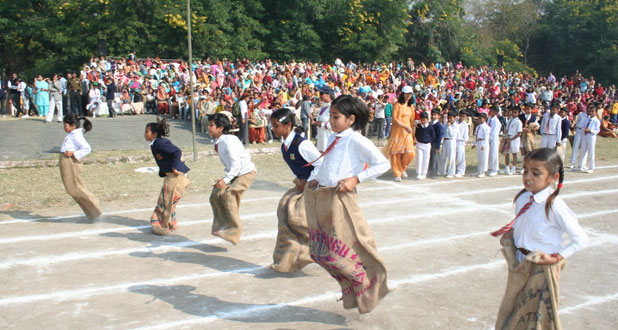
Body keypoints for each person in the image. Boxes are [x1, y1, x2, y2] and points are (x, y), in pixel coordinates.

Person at [305, 94, 390, 314]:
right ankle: (353, 287)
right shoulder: (337, 138)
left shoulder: (356, 139)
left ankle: (367, 283)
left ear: (351, 119)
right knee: (320, 251)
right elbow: (330, 164)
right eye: (330, 116)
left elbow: (382, 164)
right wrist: (318, 177)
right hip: (324, 196)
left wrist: (355, 178)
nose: (331, 121)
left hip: (341, 198)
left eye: (336, 116)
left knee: (338, 251)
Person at [492, 148, 588, 329]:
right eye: (525, 171)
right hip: (520, 263)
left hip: (541, 268)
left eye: (536, 173)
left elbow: (581, 239)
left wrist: (555, 258)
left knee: (537, 316)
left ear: (553, 177)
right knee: (513, 309)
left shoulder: (554, 206)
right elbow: (525, 222)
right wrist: (512, 233)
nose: (528, 177)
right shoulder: (523, 197)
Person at [268, 108, 322, 272]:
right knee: (285, 210)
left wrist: (310, 181)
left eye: (276, 126)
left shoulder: (302, 144)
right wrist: (299, 180)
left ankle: (314, 251)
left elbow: (321, 163)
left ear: (288, 125)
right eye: (272, 125)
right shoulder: (285, 146)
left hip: (316, 187)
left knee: (302, 221)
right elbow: (296, 168)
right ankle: (288, 259)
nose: (273, 129)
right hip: (303, 185)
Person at [207, 113, 257, 245]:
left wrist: (225, 180)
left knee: (229, 195)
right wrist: (225, 178)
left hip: (246, 173)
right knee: (215, 195)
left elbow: (236, 165)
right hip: (235, 174)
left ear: (220, 128)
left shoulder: (229, 141)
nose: (208, 127)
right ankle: (220, 226)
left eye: (211, 125)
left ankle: (234, 231)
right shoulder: (219, 142)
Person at [144, 118, 191, 235]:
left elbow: (177, 152)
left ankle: (160, 222)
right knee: (169, 199)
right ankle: (170, 222)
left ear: (154, 134)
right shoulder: (154, 144)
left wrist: (175, 167)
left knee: (166, 199)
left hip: (176, 173)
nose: (145, 134)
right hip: (170, 174)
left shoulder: (161, 143)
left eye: (147, 131)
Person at [59, 113, 102, 220]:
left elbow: (87, 148)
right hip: (65, 161)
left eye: (66, 125)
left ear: (73, 125)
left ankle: (94, 207)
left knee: (73, 187)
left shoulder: (76, 135)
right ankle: (92, 210)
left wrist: (73, 153)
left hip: (69, 162)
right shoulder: (72, 134)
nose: (64, 127)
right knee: (74, 187)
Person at [383, 85, 416, 181]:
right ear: (403, 94)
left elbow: (412, 120)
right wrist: (405, 126)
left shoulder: (411, 106)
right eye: (407, 93)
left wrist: (412, 131)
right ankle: (397, 173)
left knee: (410, 153)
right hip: (398, 130)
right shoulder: (397, 105)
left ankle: (402, 168)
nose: (409, 95)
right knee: (396, 152)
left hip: (408, 131)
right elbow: (395, 119)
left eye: (410, 93)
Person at [575, 107, 600, 173]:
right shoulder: (586, 119)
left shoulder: (596, 121)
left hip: (591, 137)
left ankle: (591, 167)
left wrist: (591, 130)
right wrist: (584, 129)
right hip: (585, 136)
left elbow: (597, 130)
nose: (591, 113)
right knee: (583, 150)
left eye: (592, 111)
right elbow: (583, 126)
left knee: (591, 151)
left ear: (595, 112)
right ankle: (580, 165)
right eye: (589, 111)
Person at [314, 85, 335, 151]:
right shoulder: (323, 107)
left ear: (328, 95)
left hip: (329, 142)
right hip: (321, 143)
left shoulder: (334, 107)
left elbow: (336, 124)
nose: (320, 95)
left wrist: (322, 125)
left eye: (322, 93)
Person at [503, 107, 523, 175]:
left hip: (514, 138)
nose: (513, 114)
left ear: (518, 113)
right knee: (507, 152)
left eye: (515, 112)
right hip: (508, 137)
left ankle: (513, 168)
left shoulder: (518, 122)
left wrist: (511, 139)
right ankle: (507, 167)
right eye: (513, 112)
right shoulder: (509, 120)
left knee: (514, 153)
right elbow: (506, 129)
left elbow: (519, 133)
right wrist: (506, 137)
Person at [438, 111, 458, 178]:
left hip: (451, 141)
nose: (449, 119)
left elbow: (452, 134)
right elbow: (443, 132)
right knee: (443, 157)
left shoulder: (456, 125)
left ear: (454, 118)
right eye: (448, 118)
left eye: (451, 118)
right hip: (445, 141)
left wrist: (449, 127)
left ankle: (451, 172)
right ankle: (442, 171)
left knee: (451, 157)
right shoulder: (445, 124)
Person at [472, 113, 490, 177]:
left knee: (484, 157)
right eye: (478, 118)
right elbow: (477, 136)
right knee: (479, 157)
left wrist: (484, 145)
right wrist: (475, 144)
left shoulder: (486, 127)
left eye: (480, 118)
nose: (479, 120)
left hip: (483, 142)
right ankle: (479, 170)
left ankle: (483, 171)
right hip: (479, 142)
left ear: (484, 119)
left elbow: (486, 137)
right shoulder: (478, 127)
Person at [427, 109, 443, 178]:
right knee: (430, 157)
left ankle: (436, 172)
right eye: (432, 114)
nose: (433, 116)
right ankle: (430, 171)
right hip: (430, 142)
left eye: (435, 115)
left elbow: (439, 136)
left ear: (438, 116)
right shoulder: (430, 123)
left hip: (435, 143)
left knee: (435, 158)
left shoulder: (438, 125)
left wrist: (438, 147)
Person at [487, 105, 502, 176]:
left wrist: (489, 139)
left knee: (494, 154)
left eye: (491, 111)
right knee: (489, 154)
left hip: (493, 139)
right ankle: (491, 168)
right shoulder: (489, 119)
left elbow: (494, 132)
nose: (489, 112)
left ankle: (495, 169)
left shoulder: (496, 121)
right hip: (488, 138)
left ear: (495, 112)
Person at [455, 110, 469, 177]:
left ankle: (461, 171)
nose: (462, 118)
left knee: (461, 157)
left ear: (466, 117)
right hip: (454, 141)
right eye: (461, 116)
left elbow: (466, 136)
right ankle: (452, 170)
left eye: (463, 117)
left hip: (461, 142)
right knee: (454, 156)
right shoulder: (455, 122)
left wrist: (463, 141)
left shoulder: (465, 125)